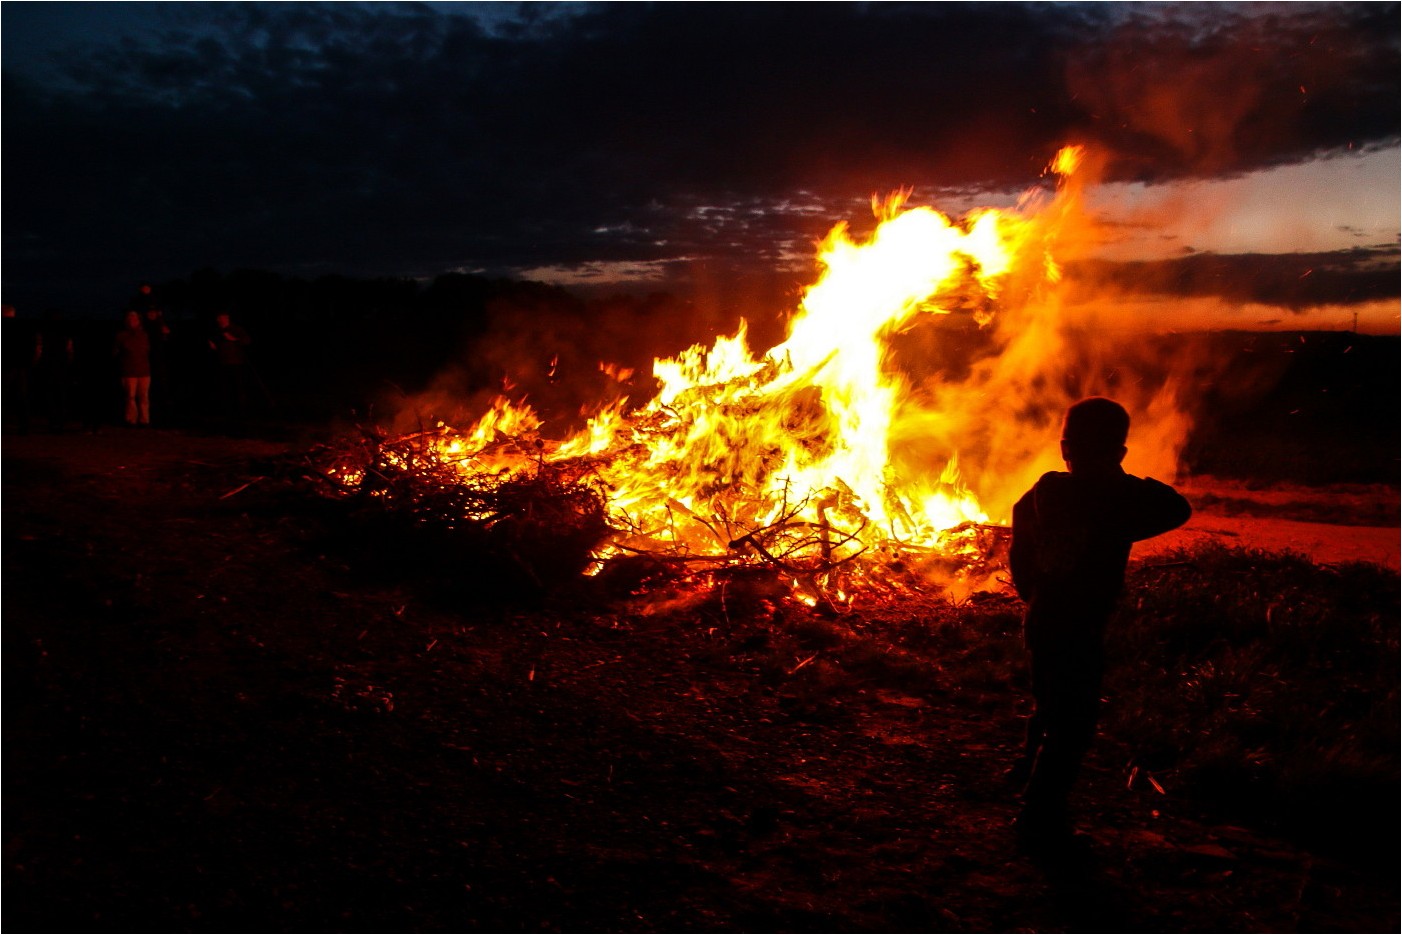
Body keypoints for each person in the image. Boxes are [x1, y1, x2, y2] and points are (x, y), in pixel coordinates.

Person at [1008, 396, 1191, 851]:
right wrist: (1118, 474)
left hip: (1042, 616)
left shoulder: (1042, 493)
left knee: (1048, 698)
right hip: (1082, 623)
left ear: (1064, 446)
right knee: (1075, 721)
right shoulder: (1117, 499)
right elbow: (1175, 507)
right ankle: (1039, 815)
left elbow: (1020, 555)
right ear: (1120, 452)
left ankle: (1024, 768)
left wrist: (1032, 593)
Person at [208, 311, 252, 430]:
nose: (222, 320)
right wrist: (212, 344)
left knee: (238, 387)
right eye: (220, 318)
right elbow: (214, 343)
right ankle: (227, 411)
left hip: (236, 362)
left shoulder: (236, 329)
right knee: (224, 388)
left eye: (224, 317)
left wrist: (234, 339)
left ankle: (242, 412)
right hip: (222, 363)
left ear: (228, 318)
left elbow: (247, 340)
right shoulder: (216, 331)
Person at [114, 309, 152, 426]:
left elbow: (149, 350)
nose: (132, 321)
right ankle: (131, 419)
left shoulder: (144, 335)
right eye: (130, 318)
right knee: (130, 397)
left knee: (144, 397)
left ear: (139, 321)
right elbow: (115, 352)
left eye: (135, 319)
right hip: (128, 371)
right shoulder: (121, 336)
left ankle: (144, 420)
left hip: (144, 370)